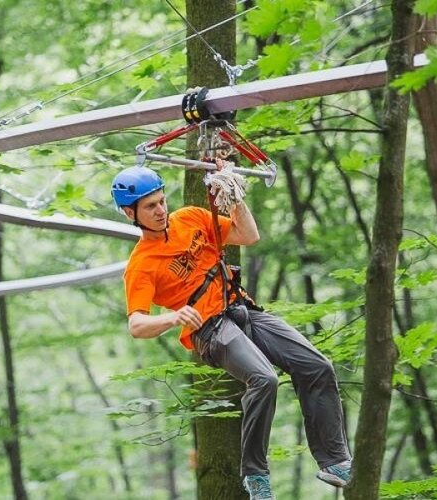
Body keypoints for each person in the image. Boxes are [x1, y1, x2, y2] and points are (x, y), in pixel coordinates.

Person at [112, 165, 352, 500]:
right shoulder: (142, 264)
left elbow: (248, 236)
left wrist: (234, 196)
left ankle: (334, 460)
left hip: (242, 309)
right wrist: (172, 318)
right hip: (210, 331)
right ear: (129, 213)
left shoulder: (191, 218)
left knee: (317, 366)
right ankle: (256, 475)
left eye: (162, 201)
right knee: (263, 379)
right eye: (150, 206)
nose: (161, 210)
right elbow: (136, 325)